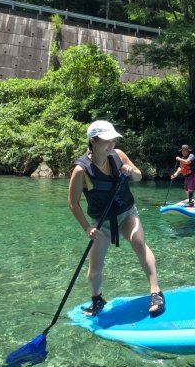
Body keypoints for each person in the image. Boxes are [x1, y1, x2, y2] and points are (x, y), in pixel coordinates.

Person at [68, 120, 165, 317]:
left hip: (126, 212)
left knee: (138, 241)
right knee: (95, 266)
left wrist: (132, 172)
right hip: (101, 222)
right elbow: (73, 203)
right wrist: (87, 228)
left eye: (113, 140)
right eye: (106, 141)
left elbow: (139, 176)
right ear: (93, 141)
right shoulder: (81, 170)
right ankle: (97, 300)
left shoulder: (118, 155)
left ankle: (156, 292)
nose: (111, 144)